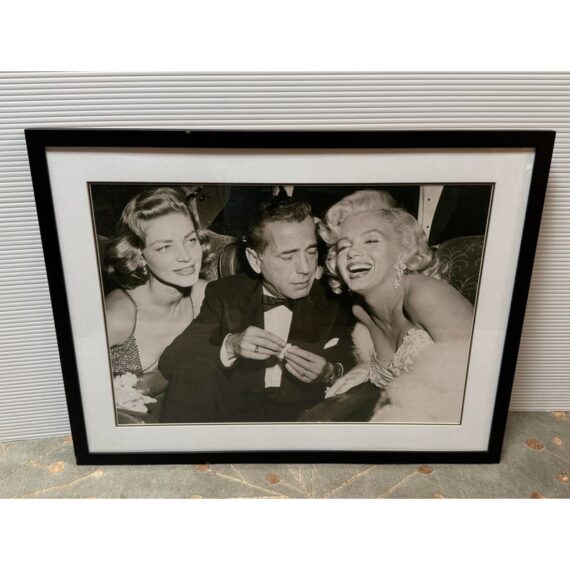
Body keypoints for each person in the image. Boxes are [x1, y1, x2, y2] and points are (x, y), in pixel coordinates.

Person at [159, 197, 356, 423]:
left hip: (305, 425)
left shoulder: (337, 298)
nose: (305, 268)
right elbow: (173, 360)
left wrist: (331, 372)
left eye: (311, 252)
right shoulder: (226, 294)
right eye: (288, 256)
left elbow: (364, 361)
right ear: (255, 260)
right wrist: (231, 345)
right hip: (232, 422)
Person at [300, 190, 474, 423]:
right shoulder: (361, 312)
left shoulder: (425, 294)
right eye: (343, 247)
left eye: (371, 240)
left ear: (403, 251)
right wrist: (366, 369)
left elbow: (480, 379)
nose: (352, 253)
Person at [104, 187, 211, 422]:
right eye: (165, 247)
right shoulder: (117, 316)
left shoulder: (205, 296)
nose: (186, 256)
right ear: (140, 255)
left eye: (190, 240)